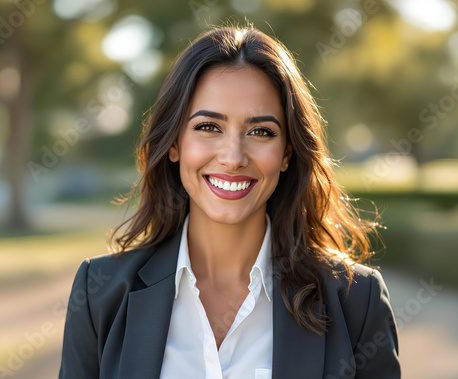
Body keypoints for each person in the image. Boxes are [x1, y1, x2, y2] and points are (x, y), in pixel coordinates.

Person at [58, 23, 400, 379]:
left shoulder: (358, 302)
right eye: (208, 127)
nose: (233, 156)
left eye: (260, 132)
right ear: (174, 143)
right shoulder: (99, 294)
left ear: (286, 153)